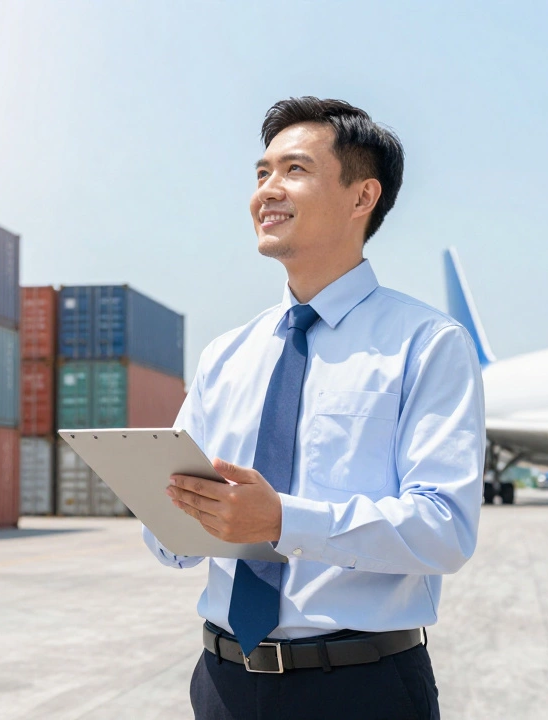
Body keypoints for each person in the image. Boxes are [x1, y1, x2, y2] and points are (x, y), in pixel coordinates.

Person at [145, 96, 486, 720]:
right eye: (261, 173)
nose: (267, 192)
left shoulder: (427, 344)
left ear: (363, 197)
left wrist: (280, 520)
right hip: (222, 683)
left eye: (294, 171)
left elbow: (445, 530)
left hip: (359, 688)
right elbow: (175, 543)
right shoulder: (227, 354)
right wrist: (173, 515)